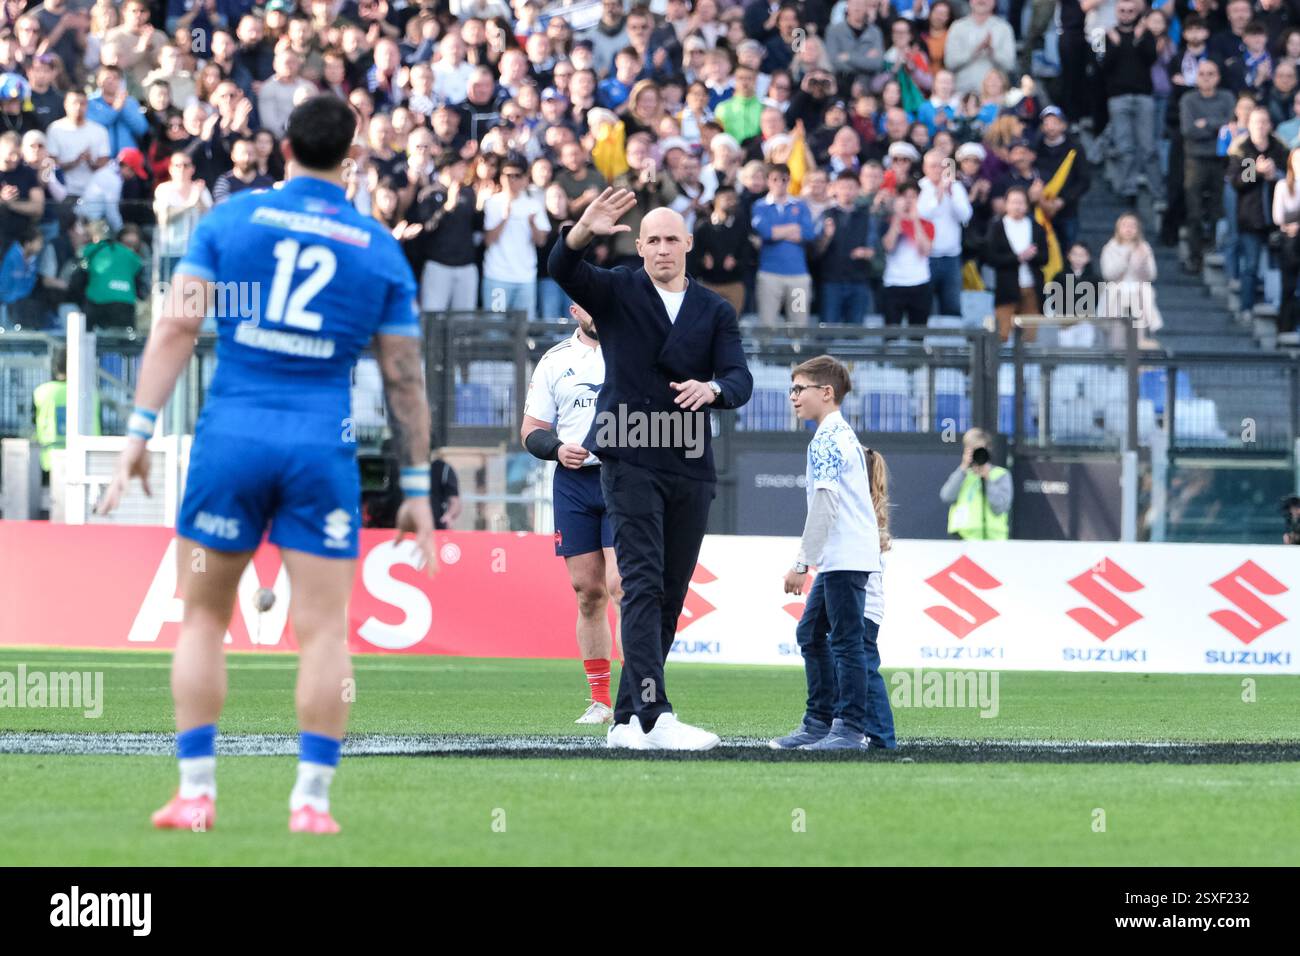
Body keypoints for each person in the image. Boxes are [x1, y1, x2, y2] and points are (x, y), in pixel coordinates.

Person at [96, 95, 437, 835]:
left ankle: (195, 795)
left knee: (202, 619)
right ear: (351, 162)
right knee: (323, 631)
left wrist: (136, 433)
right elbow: (405, 377)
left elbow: (178, 324)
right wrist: (416, 487)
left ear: (283, 149)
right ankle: (310, 804)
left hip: (233, 438)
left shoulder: (228, 221)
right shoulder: (375, 245)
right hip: (321, 445)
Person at [547, 188, 752, 750]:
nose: (662, 249)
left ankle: (624, 719)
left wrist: (711, 389)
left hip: (689, 461)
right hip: (628, 455)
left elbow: (740, 379)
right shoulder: (615, 290)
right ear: (638, 246)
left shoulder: (714, 309)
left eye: (671, 239)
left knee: (667, 593)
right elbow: (561, 266)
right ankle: (655, 713)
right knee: (638, 585)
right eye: (652, 240)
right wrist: (583, 231)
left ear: (689, 244)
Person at [772, 355, 895, 752]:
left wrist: (801, 563)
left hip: (844, 558)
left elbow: (826, 502)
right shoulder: (838, 435)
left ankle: (846, 728)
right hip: (843, 557)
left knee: (845, 641)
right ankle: (821, 722)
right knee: (811, 633)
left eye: (799, 388)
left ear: (826, 393)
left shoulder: (828, 437)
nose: (792, 396)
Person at [520, 301, 623, 725]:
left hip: (623, 477)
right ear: (575, 309)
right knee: (587, 592)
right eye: (589, 301)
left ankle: (641, 695)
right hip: (574, 483)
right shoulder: (554, 360)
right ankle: (601, 701)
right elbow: (530, 430)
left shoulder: (633, 349)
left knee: (624, 586)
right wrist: (558, 449)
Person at [985, 185, 1047, 342]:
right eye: (1013, 202)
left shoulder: (1037, 227)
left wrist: (1031, 256)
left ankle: (1028, 366)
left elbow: (1045, 258)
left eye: (1021, 202)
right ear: (1006, 204)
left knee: (1030, 334)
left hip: (1031, 286)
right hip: (1006, 287)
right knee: (1002, 332)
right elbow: (991, 257)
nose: (1017, 206)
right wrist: (1017, 258)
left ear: (1027, 205)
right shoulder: (996, 227)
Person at [939, 427, 1011, 541]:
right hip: (963, 539)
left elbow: (999, 506)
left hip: (994, 540)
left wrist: (988, 479)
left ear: (988, 450)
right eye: (973, 450)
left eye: (980, 450)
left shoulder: (1000, 474)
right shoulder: (962, 475)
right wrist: (963, 468)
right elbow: (946, 496)